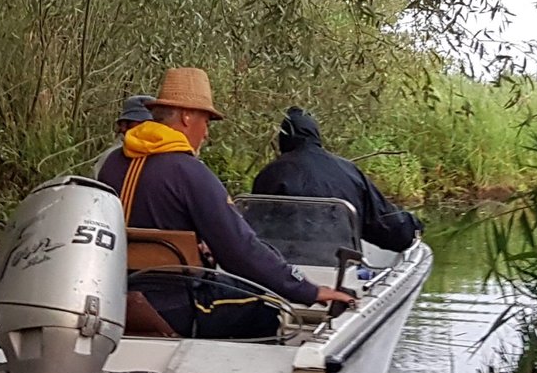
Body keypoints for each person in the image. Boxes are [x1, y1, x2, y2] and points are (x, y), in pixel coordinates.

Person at [95, 69, 357, 338]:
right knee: (268, 305)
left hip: (113, 301)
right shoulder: (189, 172)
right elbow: (240, 252)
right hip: (175, 309)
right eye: (206, 121)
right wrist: (306, 290)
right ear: (187, 116)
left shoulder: (112, 164)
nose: (206, 133)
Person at [251, 108, 422, 253]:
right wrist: (412, 225)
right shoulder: (348, 171)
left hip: (283, 266)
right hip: (338, 265)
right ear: (316, 134)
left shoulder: (269, 175)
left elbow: (255, 227)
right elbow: (384, 223)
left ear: (283, 138)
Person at [92, 94, 155, 176]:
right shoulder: (111, 157)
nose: (123, 129)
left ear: (148, 124)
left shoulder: (167, 155)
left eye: (129, 123)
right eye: (122, 123)